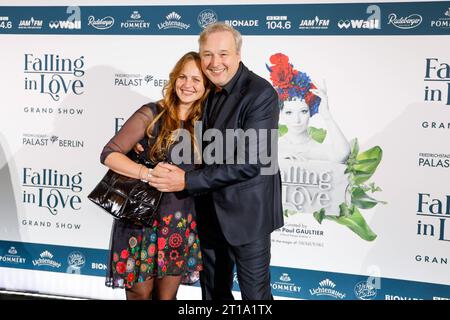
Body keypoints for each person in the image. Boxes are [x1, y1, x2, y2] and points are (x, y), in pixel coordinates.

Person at [147, 23, 284, 300]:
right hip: (207, 210)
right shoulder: (205, 88)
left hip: (248, 215)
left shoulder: (260, 94)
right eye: (207, 54)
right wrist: (145, 146)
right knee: (213, 292)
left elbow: (251, 162)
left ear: (238, 54)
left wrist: (185, 180)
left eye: (223, 54)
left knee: (255, 297)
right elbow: (182, 126)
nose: (214, 62)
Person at [99, 51, 210, 300]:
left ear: (206, 86)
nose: (188, 85)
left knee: (166, 298)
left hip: (179, 223)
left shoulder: (208, 122)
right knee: (139, 294)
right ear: (174, 78)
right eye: (183, 77)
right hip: (141, 220)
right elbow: (109, 154)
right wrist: (147, 173)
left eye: (196, 79)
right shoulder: (152, 114)